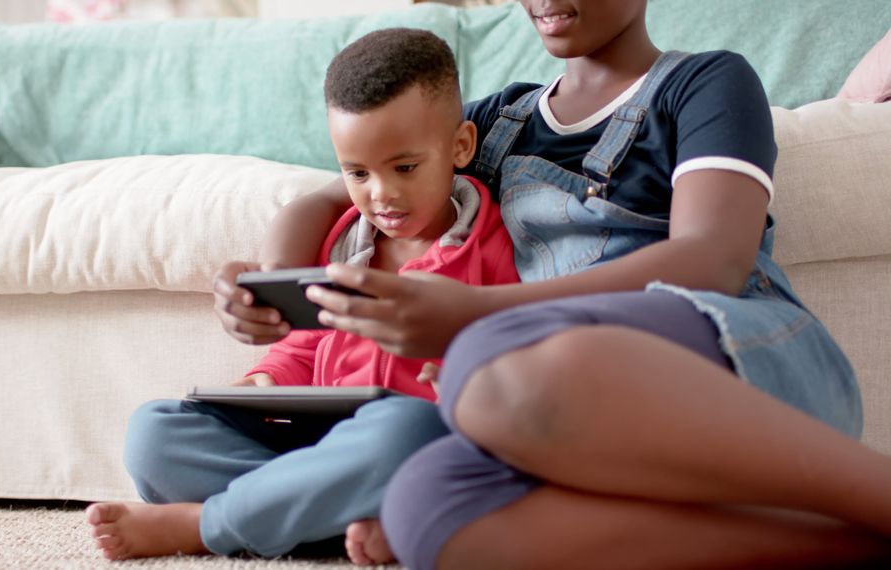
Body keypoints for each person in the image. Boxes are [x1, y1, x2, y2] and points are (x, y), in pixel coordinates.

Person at [213, 1, 891, 567]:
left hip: (748, 361)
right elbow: (326, 199)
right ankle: (843, 544)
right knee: (422, 506)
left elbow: (712, 259)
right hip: (584, 403)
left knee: (486, 361)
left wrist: (473, 312)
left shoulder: (705, 84)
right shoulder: (501, 120)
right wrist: (273, 289)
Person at [85, 28, 520, 562]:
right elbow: (308, 344)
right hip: (320, 444)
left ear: (460, 146)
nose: (381, 194)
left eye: (404, 168)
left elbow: (516, 348)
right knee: (154, 434)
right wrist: (262, 381)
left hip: (410, 440)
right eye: (357, 173)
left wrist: (459, 374)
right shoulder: (343, 240)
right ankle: (353, 515)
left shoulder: (495, 244)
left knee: (401, 432)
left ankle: (210, 525)